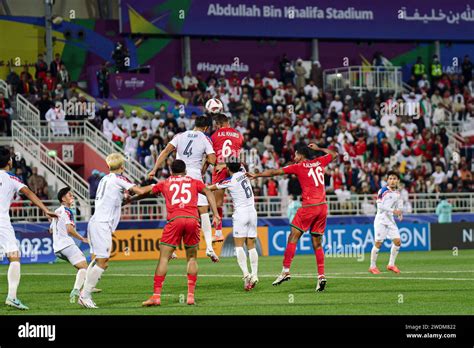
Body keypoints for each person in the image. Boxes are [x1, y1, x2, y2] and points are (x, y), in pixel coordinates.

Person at [128, 160, 220, 306]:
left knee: (164, 258)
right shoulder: (194, 181)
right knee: (191, 258)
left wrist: (129, 200)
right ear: (185, 170)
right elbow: (208, 191)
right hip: (192, 219)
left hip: (175, 220)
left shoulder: (166, 183)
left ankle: (156, 297)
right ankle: (190, 296)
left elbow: (145, 192)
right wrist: (215, 214)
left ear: (171, 171)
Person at [247, 143, 337, 291]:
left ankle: (285, 270)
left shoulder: (299, 167)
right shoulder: (320, 161)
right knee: (317, 243)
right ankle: (321, 276)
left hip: (309, 207)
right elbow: (334, 154)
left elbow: (275, 172)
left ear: (301, 155)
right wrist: (319, 149)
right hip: (323, 206)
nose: (294, 158)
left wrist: (257, 175)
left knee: (293, 237)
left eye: (296, 155)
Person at [78, 153, 149, 308]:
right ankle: (85, 295)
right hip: (102, 224)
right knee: (103, 262)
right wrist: (157, 186)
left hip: (97, 222)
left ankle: (83, 292)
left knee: (101, 261)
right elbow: (141, 191)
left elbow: (117, 200)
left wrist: (128, 198)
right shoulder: (120, 178)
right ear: (122, 167)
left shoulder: (105, 179)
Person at [148, 116, 219, 262]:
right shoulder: (205, 138)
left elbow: (165, 152)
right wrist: (205, 162)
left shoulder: (179, 136)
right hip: (194, 176)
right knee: (203, 211)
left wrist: (154, 169)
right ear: (206, 128)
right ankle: (209, 247)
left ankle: (171, 248)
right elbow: (213, 160)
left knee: (177, 211)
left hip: (178, 176)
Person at [0, 146, 58, 310]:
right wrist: (45, 209)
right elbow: (29, 193)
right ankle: (12, 297)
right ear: (9, 162)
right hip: (2, 222)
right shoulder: (12, 178)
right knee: (14, 257)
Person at [207, 160, 259, 291]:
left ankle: (246, 274)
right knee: (251, 246)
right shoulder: (244, 173)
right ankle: (255, 274)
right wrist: (226, 165)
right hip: (252, 212)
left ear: (228, 169)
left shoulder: (229, 180)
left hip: (241, 214)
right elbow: (241, 163)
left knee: (239, 246)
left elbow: (211, 188)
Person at [50, 187, 90, 303]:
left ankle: (87, 288)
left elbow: (51, 230)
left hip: (57, 249)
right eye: (70, 195)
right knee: (84, 268)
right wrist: (82, 239)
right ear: (63, 198)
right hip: (67, 245)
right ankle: (78, 290)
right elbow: (69, 229)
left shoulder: (57, 211)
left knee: (83, 268)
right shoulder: (68, 211)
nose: (72, 197)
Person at [208, 114, 244, 242]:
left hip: (220, 168)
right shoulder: (239, 135)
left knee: (217, 203)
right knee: (241, 201)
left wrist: (217, 164)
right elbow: (237, 153)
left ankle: (218, 233)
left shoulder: (214, 136)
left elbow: (210, 155)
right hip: (234, 167)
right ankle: (243, 230)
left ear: (218, 124)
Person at [369, 171, 404, 275]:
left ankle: (391, 264)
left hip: (390, 220)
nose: (392, 181)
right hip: (381, 220)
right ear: (387, 180)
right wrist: (393, 211)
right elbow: (379, 206)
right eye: (390, 178)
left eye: (394, 179)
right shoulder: (383, 190)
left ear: (398, 181)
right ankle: (372, 266)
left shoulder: (397, 194)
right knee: (378, 243)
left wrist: (400, 213)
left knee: (398, 242)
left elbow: (399, 206)